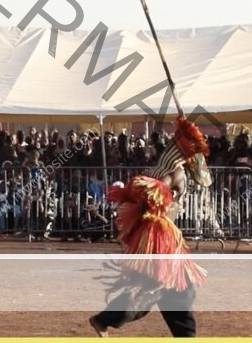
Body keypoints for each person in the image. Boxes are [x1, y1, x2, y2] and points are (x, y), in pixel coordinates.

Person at [89, 117, 212, 338]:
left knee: (178, 288)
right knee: (155, 287)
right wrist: (156, 210)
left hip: (165, 239)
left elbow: (203, 178)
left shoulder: (175, 169)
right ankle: (105, 319)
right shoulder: (174, 172)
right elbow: (150, 194)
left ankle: (184, 335)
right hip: (160, 239)